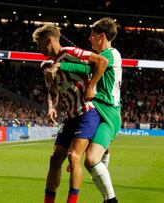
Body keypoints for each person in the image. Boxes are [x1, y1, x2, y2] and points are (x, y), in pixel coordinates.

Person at [32, 24, 108, 203]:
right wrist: (52, 107)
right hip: (70, 117)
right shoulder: (45, 66)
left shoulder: (71, 53)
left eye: (39, 44)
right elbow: (53, 91)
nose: (38, 48)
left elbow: (101, 62)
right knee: (55, 158)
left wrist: (90, 86)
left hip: (87, 112)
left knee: (74, 156)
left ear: (49, 41)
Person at [52, 17, 122, 203]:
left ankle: (111, 200)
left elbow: (87, 66)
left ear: (102, 36)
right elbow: (86, 66)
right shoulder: (104, 55)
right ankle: (107, 198)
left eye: (92, 35)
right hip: (96, 111)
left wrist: (61, 65)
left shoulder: (111, 54)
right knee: (87, 161)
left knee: (91, 159)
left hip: (108, 113)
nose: (90, 39)